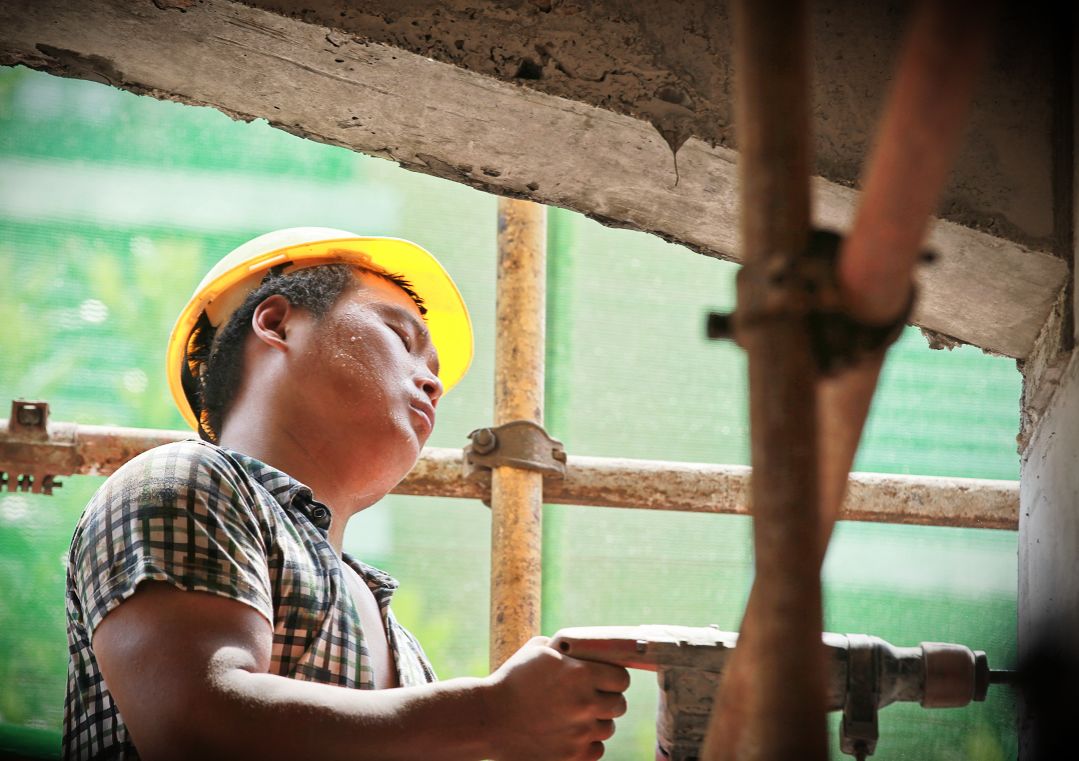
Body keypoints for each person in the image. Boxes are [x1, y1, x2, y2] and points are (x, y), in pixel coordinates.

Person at [63, 228, 629, 760]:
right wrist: (488, 713)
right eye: (401, 338)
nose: (432, 382)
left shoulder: (401, 645)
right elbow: (193, 728)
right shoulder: (181, 478)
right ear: (278, 322)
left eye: (433, 370)